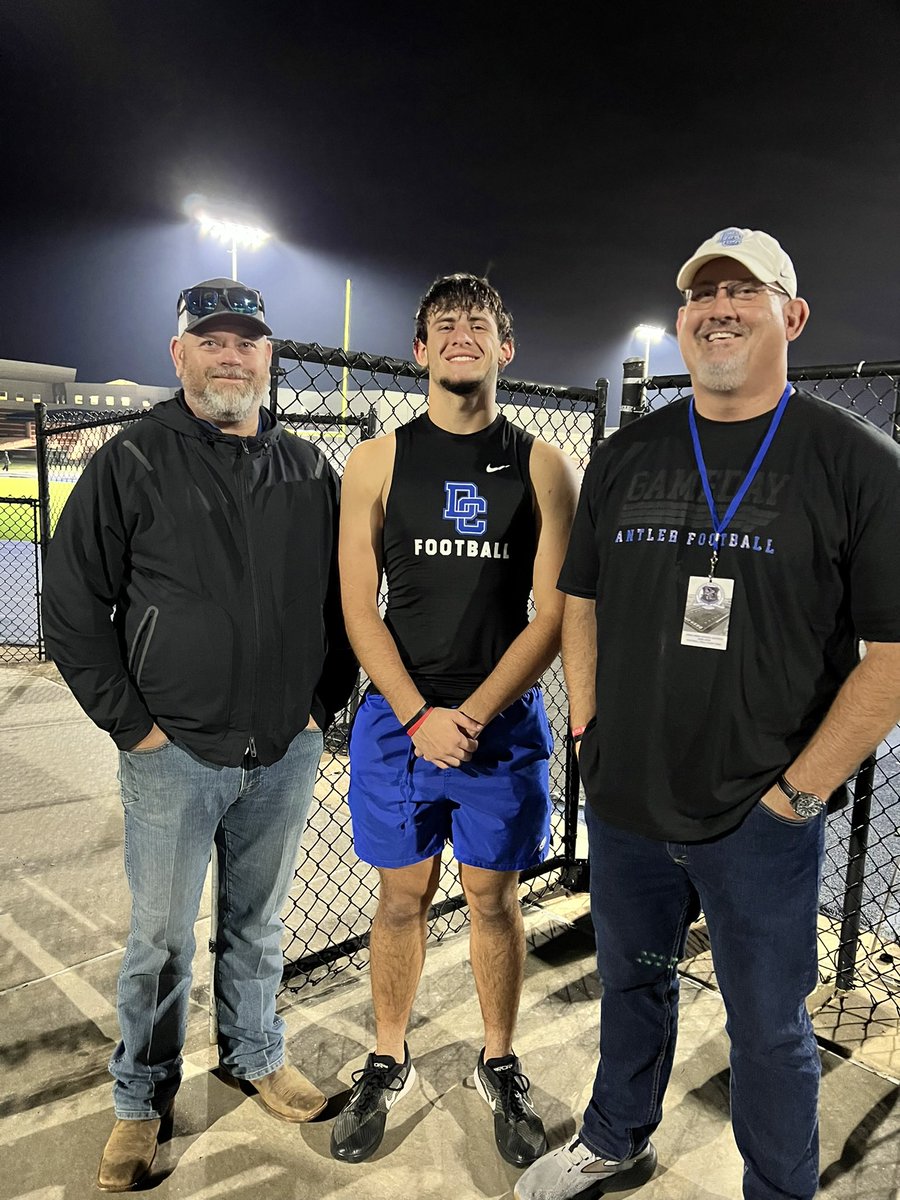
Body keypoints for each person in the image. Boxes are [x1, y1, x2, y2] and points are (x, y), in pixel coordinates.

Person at [515, 227, 900, 1200]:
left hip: (757, 825)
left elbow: (894, 661)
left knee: (768, 1027)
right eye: (701, 292)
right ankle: (615, 1136)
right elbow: (585, 603)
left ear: (791, 316)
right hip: (630, 805)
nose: (718, 305)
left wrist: (797, 798)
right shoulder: (628, 452)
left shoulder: (858, 463)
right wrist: (588, 733)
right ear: (682, 318)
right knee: (635, 979)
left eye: (745, 290)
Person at [41, 277, 358, 1192]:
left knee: (257, 928)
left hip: (285, 749)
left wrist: (319, 707)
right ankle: (140, 1104)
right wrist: (134, 728)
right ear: (178, 354)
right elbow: (72, 611)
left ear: (269, 357)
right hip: (171, 753)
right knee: (161, 940)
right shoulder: (131, 459)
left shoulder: (308, 467)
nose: (231, 355)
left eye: (247, 342)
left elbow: (346, 605)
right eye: (211, 341)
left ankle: (256, 1056)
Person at [332, 273, 579, 1167]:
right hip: (400, 724)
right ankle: (387, 1056)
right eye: (445, 324)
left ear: (505, 348)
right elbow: (361, 609)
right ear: (420, 351)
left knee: (492, 897)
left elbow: (552, 615)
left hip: (498, 724)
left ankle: (499, 1060)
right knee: (401, 897)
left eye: (480, 323)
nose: (462, 333)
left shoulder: (546, 466)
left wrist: (468, 715)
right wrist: (416, 715)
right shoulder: (377, 461)